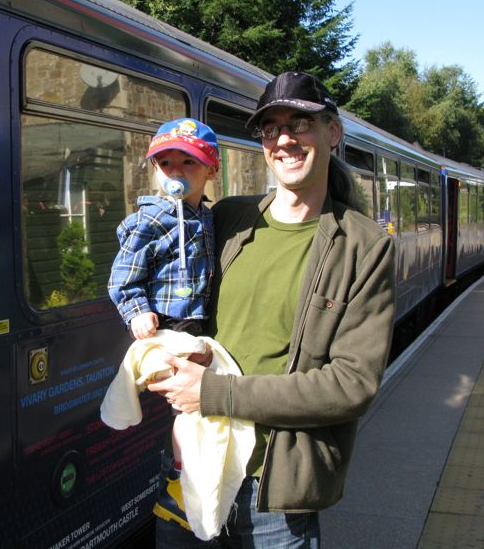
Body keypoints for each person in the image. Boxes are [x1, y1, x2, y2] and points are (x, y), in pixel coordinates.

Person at [147, 72, 397, 548]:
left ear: (332, 132)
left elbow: (351, 385)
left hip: (274, 493)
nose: (284, 139)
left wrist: (216, 393)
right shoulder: (226, 220)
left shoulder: (364, 246)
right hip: (191, 467)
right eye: (270, 128)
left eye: (300, 123)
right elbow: (172, 296)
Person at [107, 117, 219, 531]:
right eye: (165, 163)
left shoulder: (204, 217)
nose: (175, 172)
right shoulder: (149, 220)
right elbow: (124, 276)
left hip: (194, 325)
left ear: (211, 170)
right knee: (191, 409)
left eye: (187, 163)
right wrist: (136, 310)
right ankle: (179, 478)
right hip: (166, 326)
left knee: (202, 406)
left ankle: (194, 475)